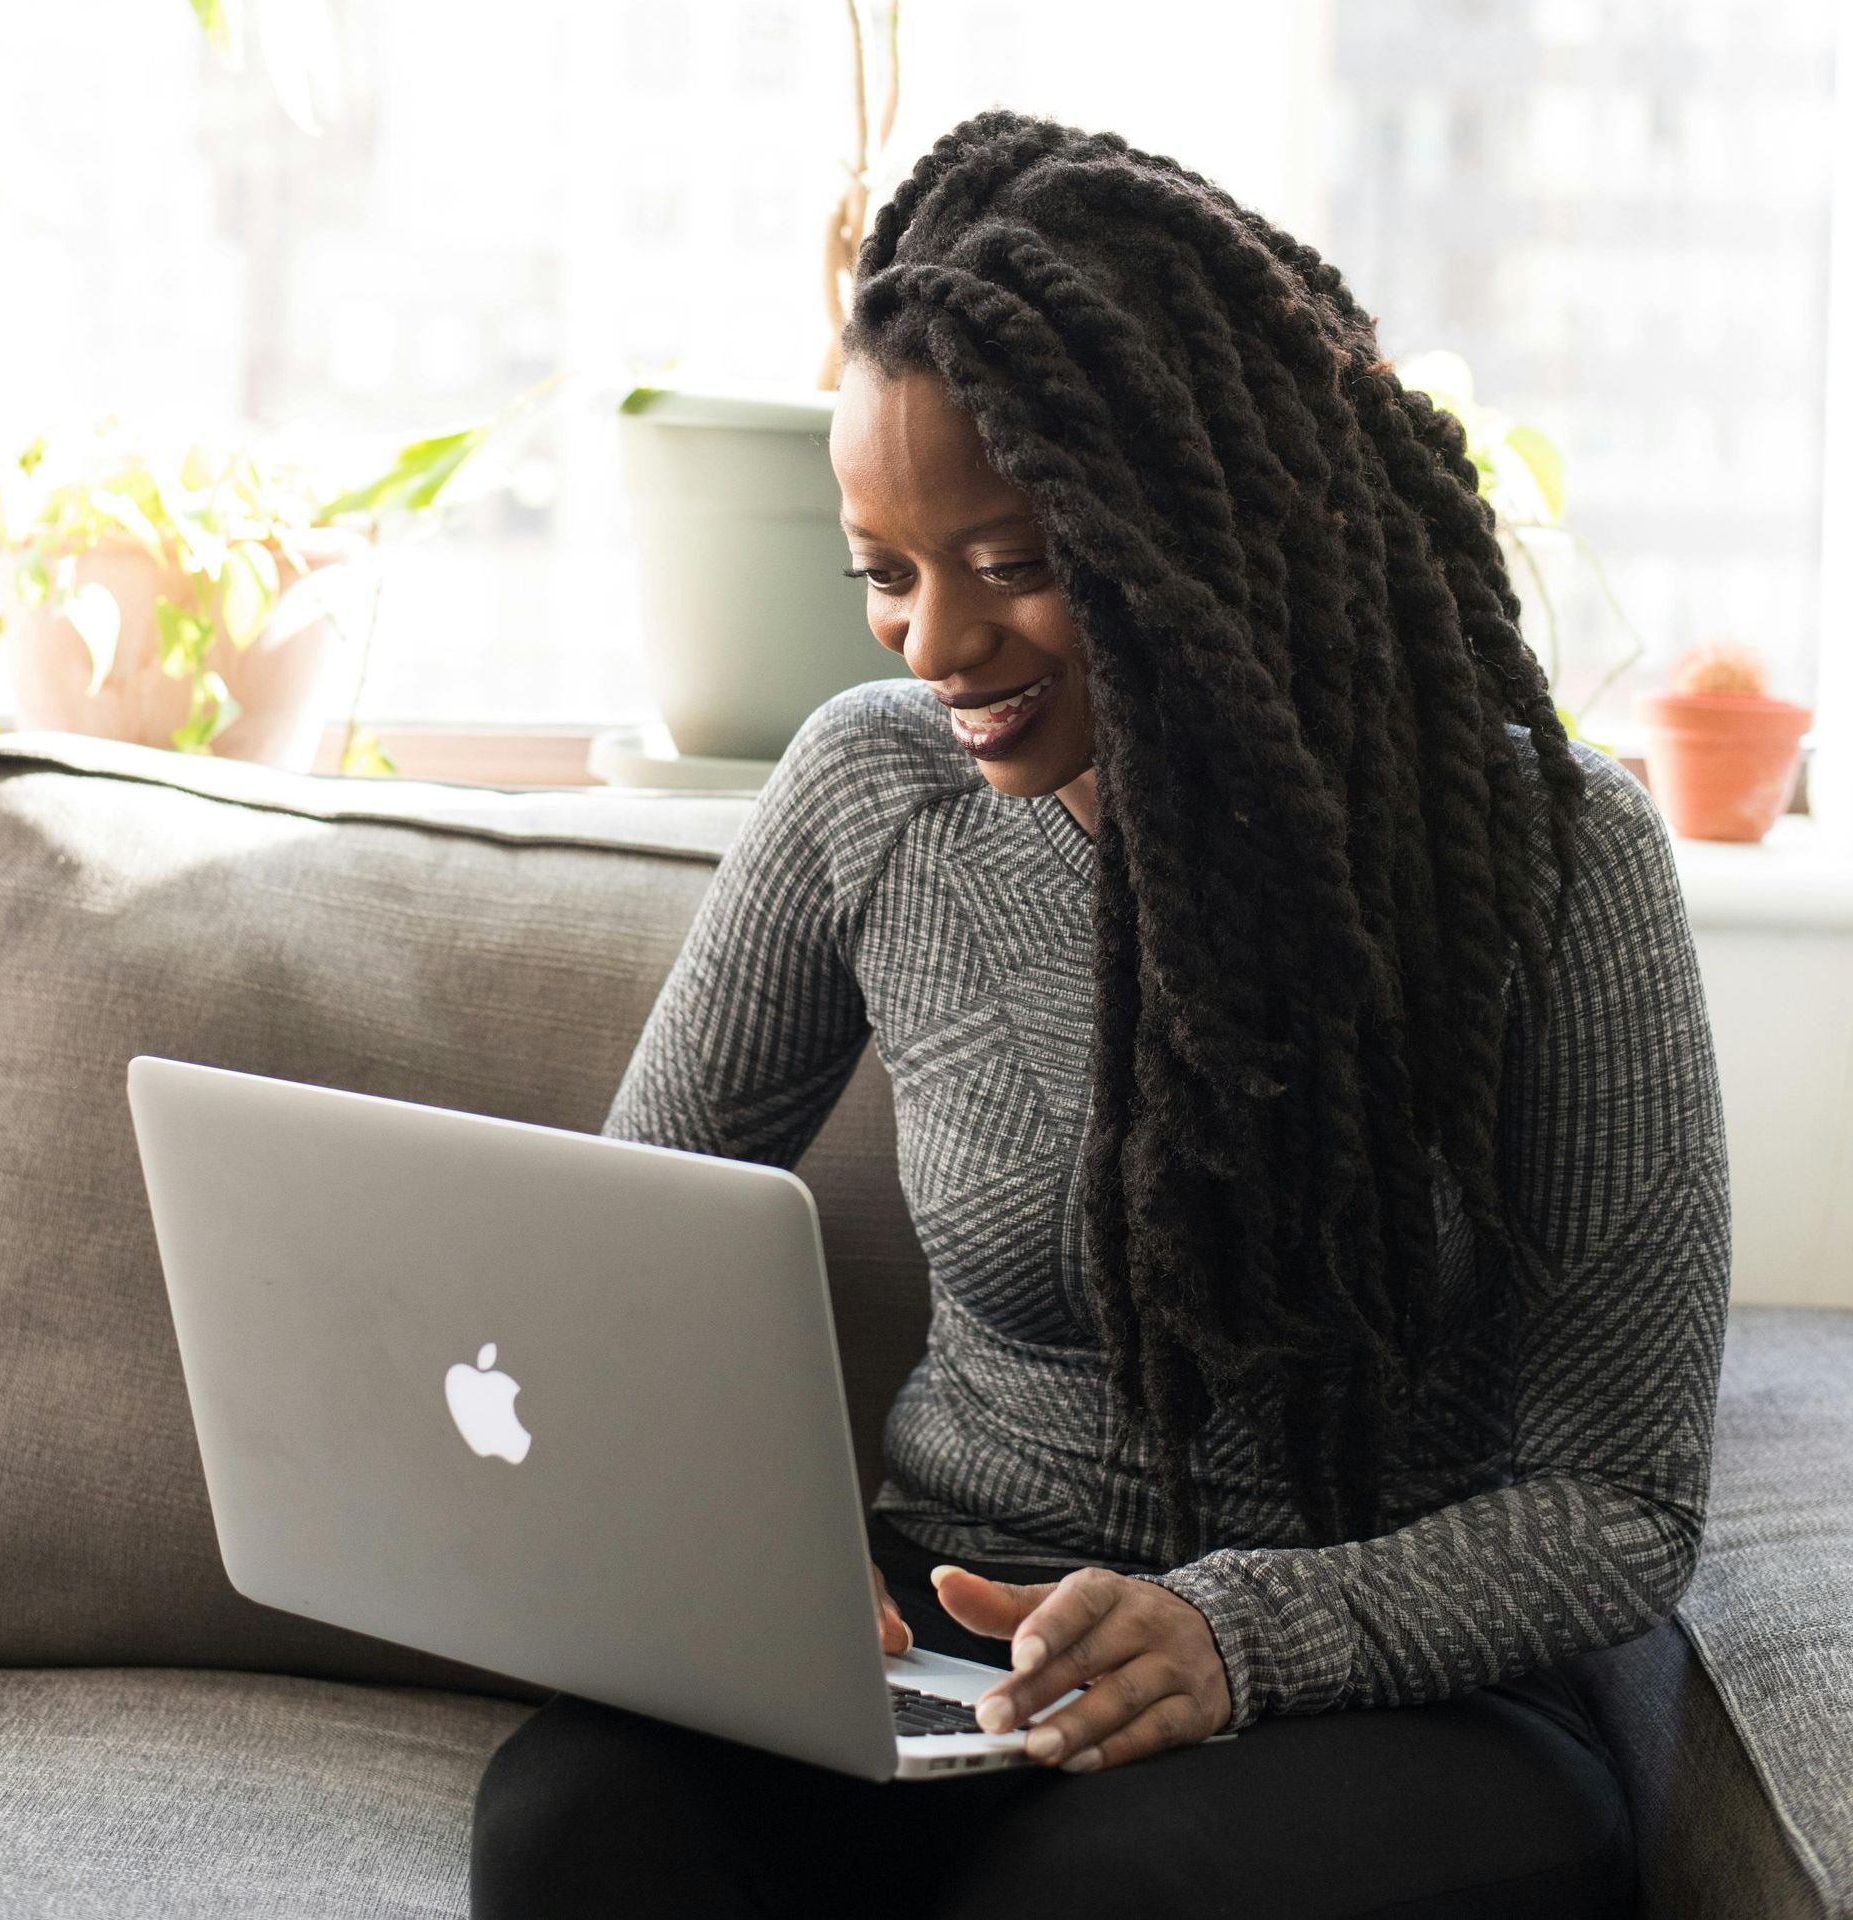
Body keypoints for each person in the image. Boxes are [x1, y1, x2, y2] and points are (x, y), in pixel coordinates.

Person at [470, 107, 1729, 1918]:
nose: (932, 646)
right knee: (576, 1832)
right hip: (954, 1628)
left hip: (1375, 1686)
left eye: (1010, 563)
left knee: (1102, 1898)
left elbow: (1621, 1499)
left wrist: (1237, 1635)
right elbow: (615, 1247)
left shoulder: (1552, 861)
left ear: (1197, 528)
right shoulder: (868, 798)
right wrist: (752, 1560)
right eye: (884, 575)